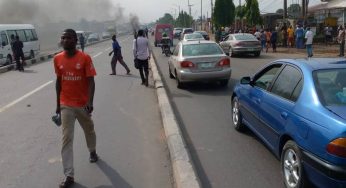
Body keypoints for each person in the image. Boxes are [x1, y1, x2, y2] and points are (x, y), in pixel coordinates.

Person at [54, 29, 98, 188]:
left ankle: (92, 150)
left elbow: (91, 82)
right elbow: (58, 82)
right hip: (66, 104)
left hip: (82, 104)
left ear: (75, 40)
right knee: (66, 138)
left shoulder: (85, 58)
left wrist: (90, 102)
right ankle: (69, 175)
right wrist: (57, 105)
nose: (65, 40)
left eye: (68, 38)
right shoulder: (57, 59)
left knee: (89, 130)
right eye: (63, 37)